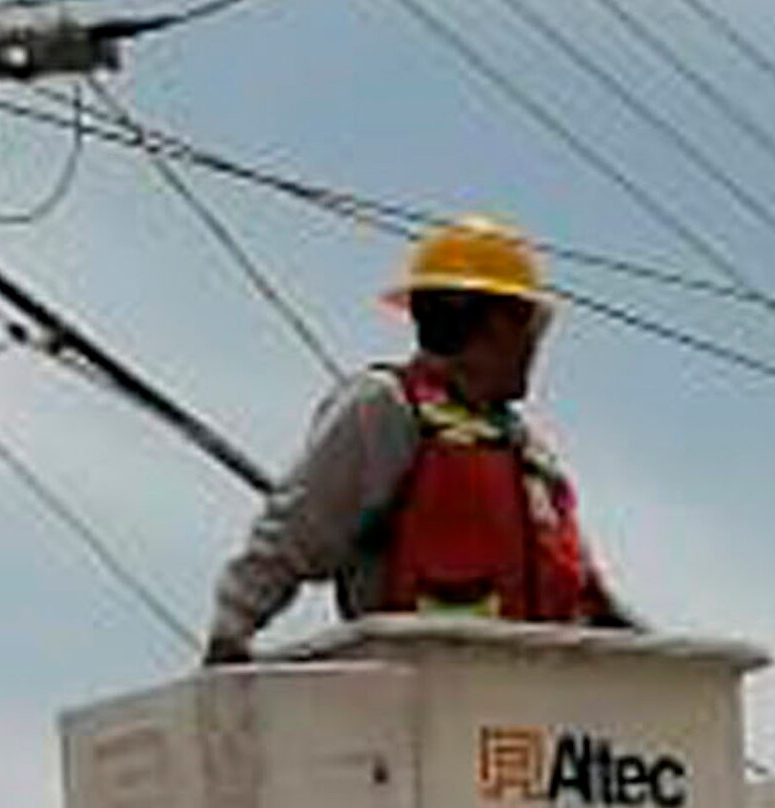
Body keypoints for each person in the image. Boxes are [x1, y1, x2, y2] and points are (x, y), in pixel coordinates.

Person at [204, 216, 638, 660]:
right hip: (419, 705)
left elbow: (586, 597)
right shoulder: (385, 409)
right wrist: (230, 634)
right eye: (531, 324)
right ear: (497, 323)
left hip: (528, 707)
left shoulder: (530, 457)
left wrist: (661, 667)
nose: (534, 344)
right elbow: (297, 529)